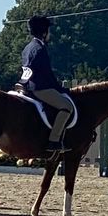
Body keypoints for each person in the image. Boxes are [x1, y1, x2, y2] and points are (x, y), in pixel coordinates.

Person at [18, 15, 73, 152]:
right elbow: (47, 74)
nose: (50, 34)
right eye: (49, 31)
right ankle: (53, 141)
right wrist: (61, 89)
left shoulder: (28, 47)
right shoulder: (40, 49)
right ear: (44, 32)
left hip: (26, 84)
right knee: (67, 107)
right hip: (39, 87)